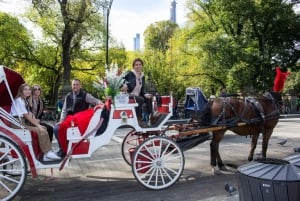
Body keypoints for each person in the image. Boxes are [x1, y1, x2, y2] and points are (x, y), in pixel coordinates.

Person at [10, 83, 60, 161]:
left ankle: (47, 152)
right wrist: (38, 125)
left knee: (44, 128)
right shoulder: (19, 100)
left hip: (21, 122)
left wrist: (38, 124)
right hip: (17, 123)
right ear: (21, 91)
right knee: (41, 130)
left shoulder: (24, 100)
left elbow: (30, 114)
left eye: (29, 89)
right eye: (25, 89)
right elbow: (27, 116)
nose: (28, 91)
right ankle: (47, 153)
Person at [54, 78, 102, 157]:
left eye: (77, 85)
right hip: (70, 120)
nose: (75, 86)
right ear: (71, 86)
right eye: (74, 85)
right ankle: (63, 149)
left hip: (80, 120)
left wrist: (101, 103)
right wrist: (61, 120)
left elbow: (95, 101)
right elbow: (64, 110)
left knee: (60, 129)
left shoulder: (85, 95)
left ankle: (65, 150)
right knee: (56, 129)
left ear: (80, 86)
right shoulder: (68, 96)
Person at [121, 58, 153, 126]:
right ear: (133, 66)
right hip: (129, 95)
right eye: (136, 65)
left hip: (138, 96)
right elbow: (121, 78)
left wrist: (145, 94)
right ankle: (138, 118)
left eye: (140, 64)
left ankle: (151, 116)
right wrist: (124, 85)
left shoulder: (142, 76)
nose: (138, 66)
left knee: (149, 98)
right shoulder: (130, 74)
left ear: (142, 66)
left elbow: (142, 90)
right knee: (140, 99)